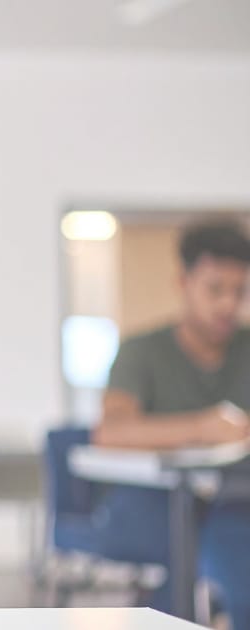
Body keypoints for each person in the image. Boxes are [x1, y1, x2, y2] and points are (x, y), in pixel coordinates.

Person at [94, 217, 250, 628]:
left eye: (240, 291)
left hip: (237, 503)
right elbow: (110, 433)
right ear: (183, 283)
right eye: (215, 289)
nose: (228, 305)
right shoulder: (141, 352)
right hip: (154, 504)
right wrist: (202, 427)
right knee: (197, 555)